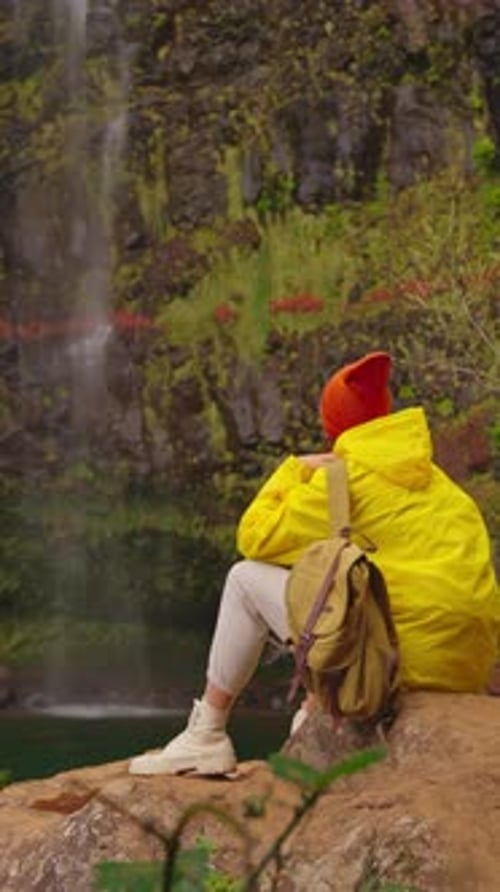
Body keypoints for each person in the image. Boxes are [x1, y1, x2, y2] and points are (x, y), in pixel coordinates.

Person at [129, 351, 500, 776]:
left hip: (397, 665)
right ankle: (314, 708)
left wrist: (295, 470)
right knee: (333, 579)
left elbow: (255, 536)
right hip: (463, 668)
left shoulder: (344, 481)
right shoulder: (444, 488)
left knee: (245, 579)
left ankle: (206, 734)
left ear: (335, 428)